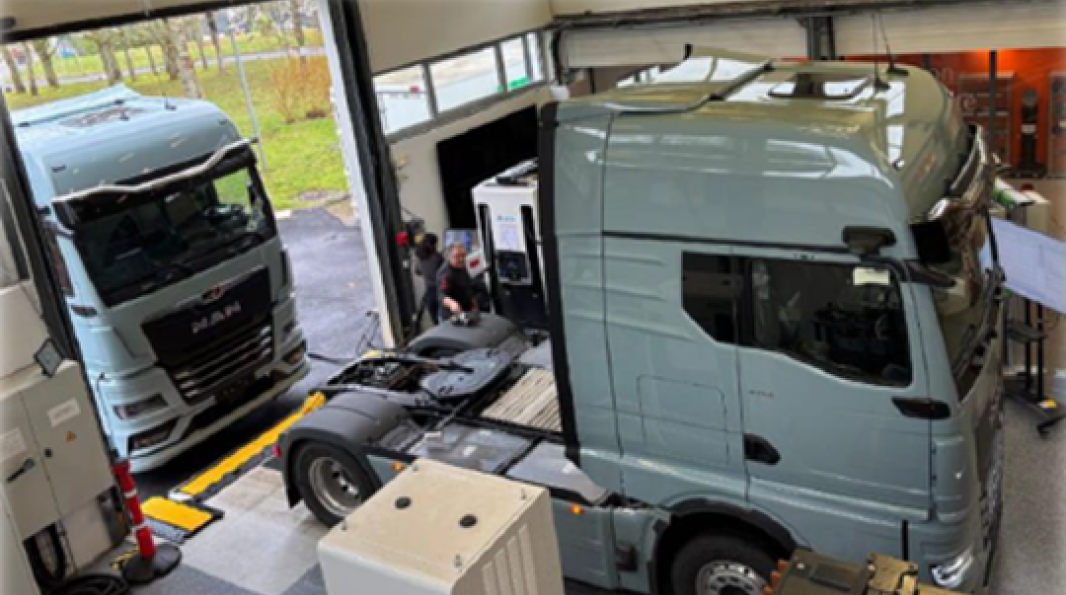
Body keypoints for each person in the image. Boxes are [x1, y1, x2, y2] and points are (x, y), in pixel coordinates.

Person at [437, 241, 477, 322]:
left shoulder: (462, 266)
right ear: (449, 257)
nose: (461, 259)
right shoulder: (445, 273)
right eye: (457, 256)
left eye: (463, 255)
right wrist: (452, 303)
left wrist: (473, 302)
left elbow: (467, 285)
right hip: (450, 317)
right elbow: (442, 295)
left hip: (465, 311)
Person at [414, 233, 444, 324]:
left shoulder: (419, 257)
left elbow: (417, 271)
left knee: (436, 322)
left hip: (430, 293)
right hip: (441, 290)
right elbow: (445, 271)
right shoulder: (437, 257)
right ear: (433, 244)